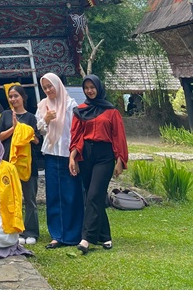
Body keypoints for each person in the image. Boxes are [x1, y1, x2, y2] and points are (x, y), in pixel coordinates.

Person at [69, 75, 128, 254]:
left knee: (94, 195)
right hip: (86, 155)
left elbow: (118, 136)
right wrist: (72, 157)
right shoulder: (80, 111)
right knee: (93, 196)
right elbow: (76, 136)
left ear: (99, 87)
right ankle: (105, 236)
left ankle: (86, 238)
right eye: (86, 88)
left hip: (105, 156)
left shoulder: (111, 111)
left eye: (92, 87)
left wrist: (120, 160)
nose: (89, 90)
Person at [36, 72, 83, 248]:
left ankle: (72, 235)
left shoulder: (70, 105)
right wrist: (46, 119)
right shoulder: (43, 105)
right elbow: (39, 129)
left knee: (71, 194)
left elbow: (76, 132)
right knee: (54, 195)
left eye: (50, 86)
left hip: (68, 155)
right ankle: (56, 234)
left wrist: (74, 156)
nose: (48, 90)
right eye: (45, 88)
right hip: (51, 154)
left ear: (57, 85)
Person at [0, 83, 40, 245]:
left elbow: (37, 140)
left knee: (30, 199)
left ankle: (31, 232)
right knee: (12, 199)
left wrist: (25, 132)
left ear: (23, 97)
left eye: (16, 96)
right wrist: (14, 128)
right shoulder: (5, 115)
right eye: (10, 96)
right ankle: (16, 230)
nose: (13, 99)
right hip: (9, 163)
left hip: (27, 164)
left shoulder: (31, 117)